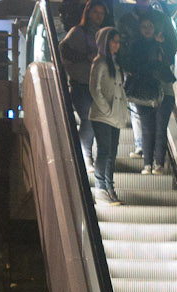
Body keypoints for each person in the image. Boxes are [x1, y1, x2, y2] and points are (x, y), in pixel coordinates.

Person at [120, 12, 175, 174]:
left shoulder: (163, 44)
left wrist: (161, 46)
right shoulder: (135, 46)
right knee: (147, 128)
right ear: (139, 28)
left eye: (150, 26)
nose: (147, 29)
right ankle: (147, 164)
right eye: (144, 26)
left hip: (163, 91)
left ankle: (159, 164)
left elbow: (169, 59)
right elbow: (130, 64)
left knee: (160, 128)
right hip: (143, 91)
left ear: (155, 27)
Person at [59, 1, 110, 168]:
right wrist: (85, 57)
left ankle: (86, 154)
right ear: (88, 13)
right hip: (80, 85)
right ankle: (85, 156)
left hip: (97, 86)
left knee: (93, 121)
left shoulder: (104, 35)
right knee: (88, 119)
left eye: (101, 13)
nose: (98, 16)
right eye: (95, 12)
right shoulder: (78, 32)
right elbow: (64, 50)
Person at [86, 27, 129, 205]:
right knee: (104, 152)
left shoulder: (115, 64)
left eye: (118, 42)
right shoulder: (100, 62)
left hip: (114, 115)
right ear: (105, 42)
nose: (116, 45)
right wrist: (107, 109)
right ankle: (101, 188)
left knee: (111, 153)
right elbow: (94, 89)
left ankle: (109, 187)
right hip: (103, 116)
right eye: (113, 41)